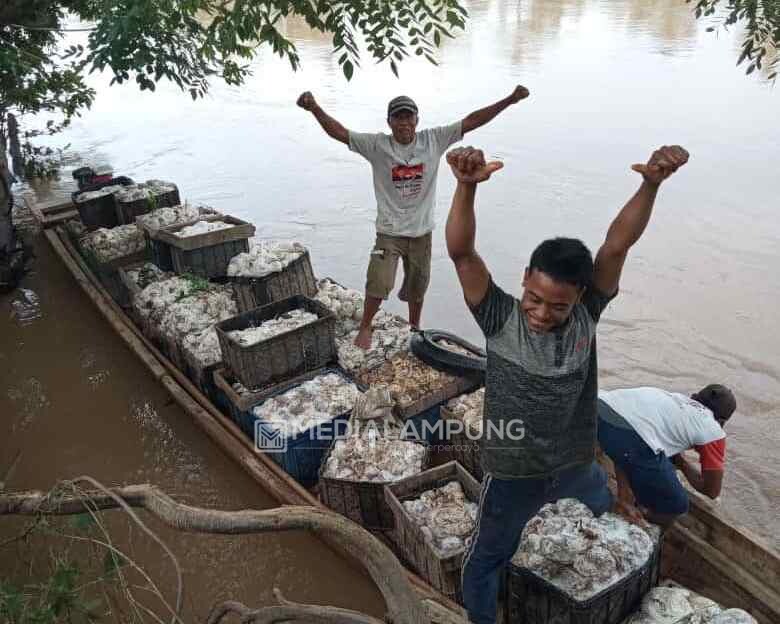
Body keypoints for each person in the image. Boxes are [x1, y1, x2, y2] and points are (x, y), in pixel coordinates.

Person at [443, 143, 689, 624]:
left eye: (557, 306)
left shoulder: (588, 314)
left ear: (581, 297)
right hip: (513, 470)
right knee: (488, 555)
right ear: (524, 281)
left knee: (603, 510)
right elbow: (460, 250)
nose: (540, 313)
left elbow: (616, 245)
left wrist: (650, 184)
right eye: (533, 298)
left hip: (576, 463)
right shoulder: (498, 317)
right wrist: (465, 187)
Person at [297, 86, 531, 349]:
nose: (404, 123)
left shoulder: (433, 140)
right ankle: (365, 326)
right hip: (389, 232)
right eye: (398, 118)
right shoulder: (377, 145)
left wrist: (510, 100)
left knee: (418, 285)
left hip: (422, 233)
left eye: (409, 117)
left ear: (417, 120)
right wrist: (314, 108)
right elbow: (340, 133)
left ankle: (414, 328)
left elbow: (472, 120)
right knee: (379, 280)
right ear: (389, 122)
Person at [597, 384, 736, 527]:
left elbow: (628, 426)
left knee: (629, 444)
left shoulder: (673, 397)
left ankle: (624, 499)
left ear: (694, 397)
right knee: (678, 505)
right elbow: (712, 490)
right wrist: (681, 462)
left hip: (599, 411)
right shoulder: (712, 430)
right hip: (626, 437)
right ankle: (637, 517)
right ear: (721, 422)